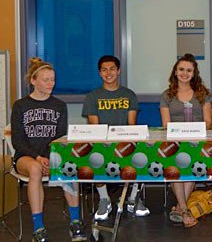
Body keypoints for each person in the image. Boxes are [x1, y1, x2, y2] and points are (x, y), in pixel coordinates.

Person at [11, 57, 87, 241]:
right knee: (35, 170)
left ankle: (75, 221)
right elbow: (17, 141)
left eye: (53, 79)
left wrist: (49, 157)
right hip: (26, 157)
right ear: (33, 81)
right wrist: (38, 157)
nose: (51, 83)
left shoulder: (59, 105)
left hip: (52, 155)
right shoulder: (20, 105)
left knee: (70, 165)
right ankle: (38, 228)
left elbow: (59, 137)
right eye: (46, 80)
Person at [82, 55, 148, 221]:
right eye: (104, 70)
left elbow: (131, 125)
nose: (108, 73)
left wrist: (124, 143)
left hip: (124, 142)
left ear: (118, 71)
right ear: (100, 73)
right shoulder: (92, 97)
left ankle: (133, 198)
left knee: (142, 154)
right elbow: (94, 128)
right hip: (103, 144)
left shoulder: (129, 94)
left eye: (112, 69)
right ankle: (104, 199)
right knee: (94, 156)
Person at [160, 53, 212, 227]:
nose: (184, 73)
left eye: (189, 70)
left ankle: (180, 208)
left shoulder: (203, 94)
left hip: (197, 142)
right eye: (181, 69)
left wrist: (192, 131)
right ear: (175, 72)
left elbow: (208, 122)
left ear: (194, 73)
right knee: (177, 162)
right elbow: (166, 124)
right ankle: (184, 208)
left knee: (192, 160)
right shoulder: (167, 95)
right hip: (175, 143)